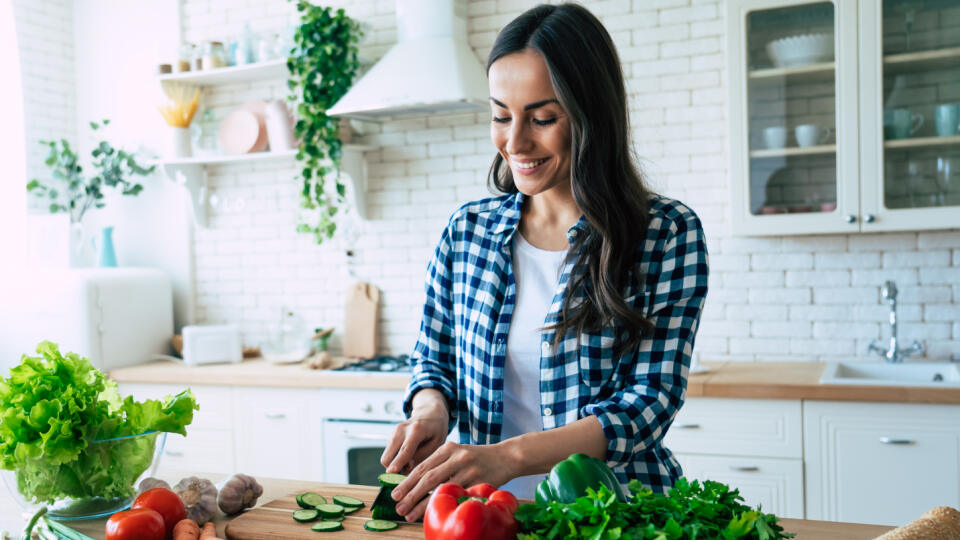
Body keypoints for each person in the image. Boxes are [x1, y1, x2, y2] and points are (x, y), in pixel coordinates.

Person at [380, 2, 709, 522]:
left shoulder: (664, 234)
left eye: (542, 118)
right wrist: (430, 410)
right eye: (500, 115)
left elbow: (648, 403)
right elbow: (433, 360)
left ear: (590, 113)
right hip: (485, 517)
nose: (515, 142)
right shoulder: (467, 231)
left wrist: (507, 458)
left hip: (617, 517)